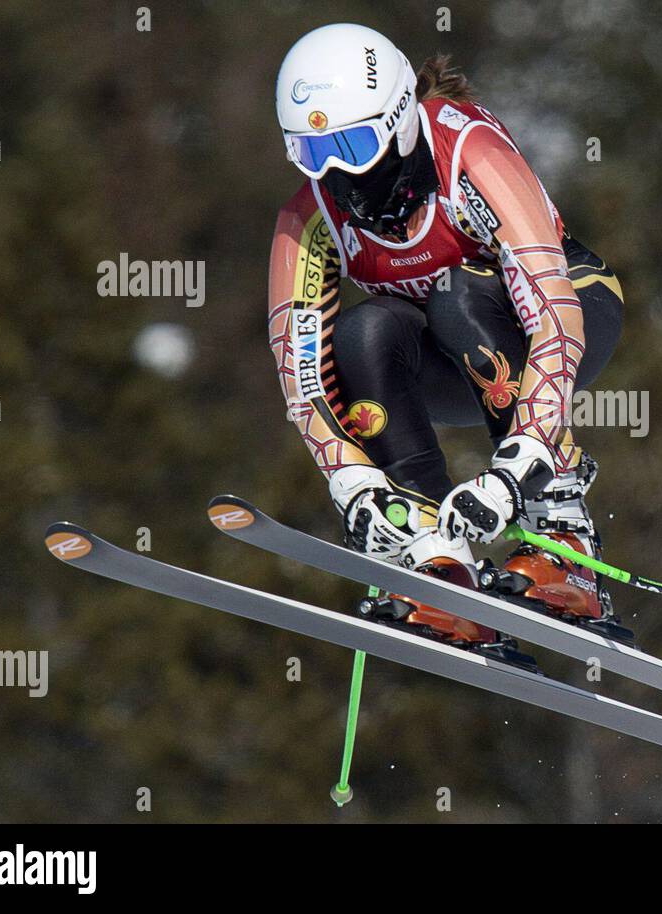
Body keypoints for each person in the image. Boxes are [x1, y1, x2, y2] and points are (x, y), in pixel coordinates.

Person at [267, 23, 631, 659]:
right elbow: (301, 378)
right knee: (363, 331)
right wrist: (354, 484)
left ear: (402, 118)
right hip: (453, 367)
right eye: (310, 151)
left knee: (455, 293)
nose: (336, 172)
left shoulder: (468, 153)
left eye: (352, 145)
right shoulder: (311, 217)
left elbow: (552, 314)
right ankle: (437, 557)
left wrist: (519, 467)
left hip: (568, 314)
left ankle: (563, 537)